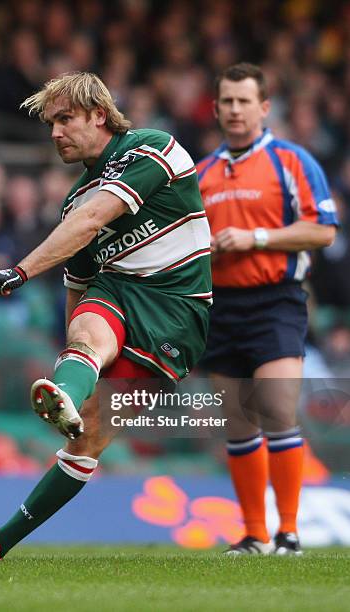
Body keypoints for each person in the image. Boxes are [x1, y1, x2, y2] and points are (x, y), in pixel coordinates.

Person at [0, 71, 212, 562]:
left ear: (99, 115)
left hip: (177, 310)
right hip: (117, 295)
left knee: (88, 439)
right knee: (87, 331)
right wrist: (73, 367)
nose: (55, 133)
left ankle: (6, 530)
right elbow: (80, 289)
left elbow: (92, 221)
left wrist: (21, 272)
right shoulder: (75, 196)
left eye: (65, 119)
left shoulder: (155, 150)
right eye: (50, 123)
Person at [195, 63, 338, 555]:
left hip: (276, 300)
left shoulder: (293, 162)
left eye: (243, 101)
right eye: (227, 101)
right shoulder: (201, 173)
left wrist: (256, 238)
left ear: (264, 107)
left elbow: (323, 230)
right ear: (215, 109)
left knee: (277, 407)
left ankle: (290, 533)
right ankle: (254, 534)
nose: (235, 110)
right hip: (220, 304)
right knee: (237, 422)